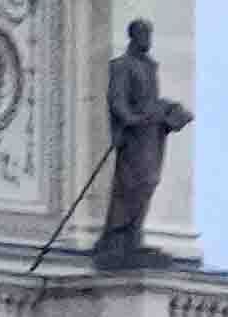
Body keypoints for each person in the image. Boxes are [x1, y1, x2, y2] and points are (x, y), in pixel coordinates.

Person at [95, 21, 190, 269]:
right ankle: (118, 235)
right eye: (144, 34)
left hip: (152, 132)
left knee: (149, 182)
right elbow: (117, 99)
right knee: (132, 183)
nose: (148, 39)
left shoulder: (149, 66)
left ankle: (134, 234)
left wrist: (169, 111)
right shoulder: (121, 65)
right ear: (133, 37)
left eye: (150, 34)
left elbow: (150, 99)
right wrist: (129, 119)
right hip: (135, 134)